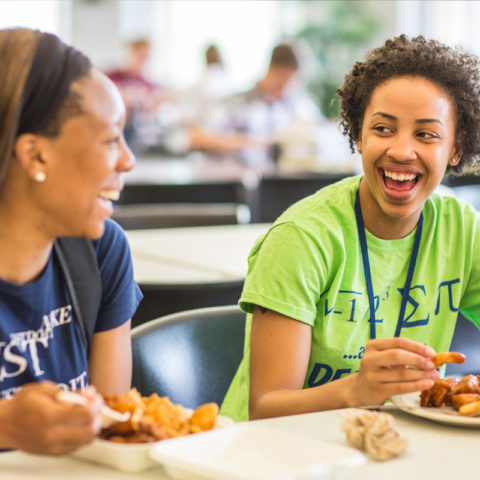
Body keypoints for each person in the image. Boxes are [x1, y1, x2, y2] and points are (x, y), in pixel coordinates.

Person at [220, 34, 480, 422]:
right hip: (276, 453)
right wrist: (357, 390)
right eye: (383, 129)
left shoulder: (462, 229)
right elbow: (265, 407)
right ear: (358, 135)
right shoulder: (303, 238)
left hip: (396, 445)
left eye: (426, 134)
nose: (402, 150)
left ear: (455, 148)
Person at [0, 28, 141, 454]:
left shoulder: (101, 252)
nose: (128, 159)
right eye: (109, 139)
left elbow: (109, 428)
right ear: (36, 155)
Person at [105, 38, 164, 150]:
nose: (142, 62)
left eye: (146, 58)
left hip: (136, 136)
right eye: (139, 56)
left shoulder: (150, 86)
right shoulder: (108, 78)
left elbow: (153, 114)